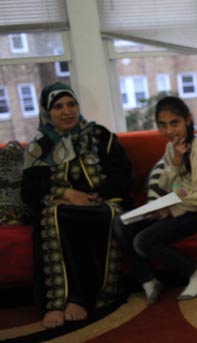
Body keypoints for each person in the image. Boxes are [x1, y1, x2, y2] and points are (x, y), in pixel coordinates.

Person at [21, 82, 133, 329]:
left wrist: (94, 196)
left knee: (107, 215)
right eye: (58, 106)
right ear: (47, 112)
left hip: (100, 203)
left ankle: (85, 297)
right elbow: (29, 192)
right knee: (56, 216)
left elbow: (122, 176)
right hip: (60, 206)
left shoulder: (100, 137)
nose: (67, 111)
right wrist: (64, 193)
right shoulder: (39, 148)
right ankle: (57, 301)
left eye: (71, 104)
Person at [113, 96, 197, 303]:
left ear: (188, 120)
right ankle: (148, 280)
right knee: (120, 222)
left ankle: (196, 272)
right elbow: (163, 186)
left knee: (142, 241)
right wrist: (175, 163)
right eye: (163, 125)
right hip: (174, 204)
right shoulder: (172, 148)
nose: (170, 131)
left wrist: (172, 210)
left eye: (175, 123)